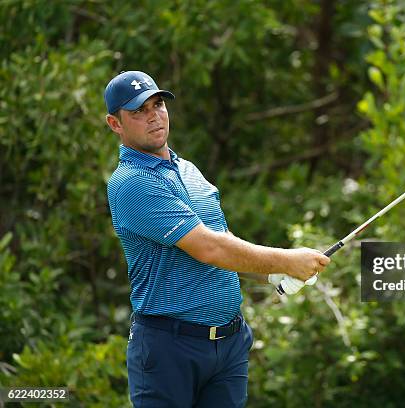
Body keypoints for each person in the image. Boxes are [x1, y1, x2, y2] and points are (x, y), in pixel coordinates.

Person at [104, 70, 330, 407]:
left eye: (158, 105)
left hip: (229, 345)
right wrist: (288, 259)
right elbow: (209, 248)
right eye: (138, 111)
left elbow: (222, 240)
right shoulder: (131, 183)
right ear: (115, 124)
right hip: (169, 349)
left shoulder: (188, 170)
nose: (153, 117)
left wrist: (268, 273)